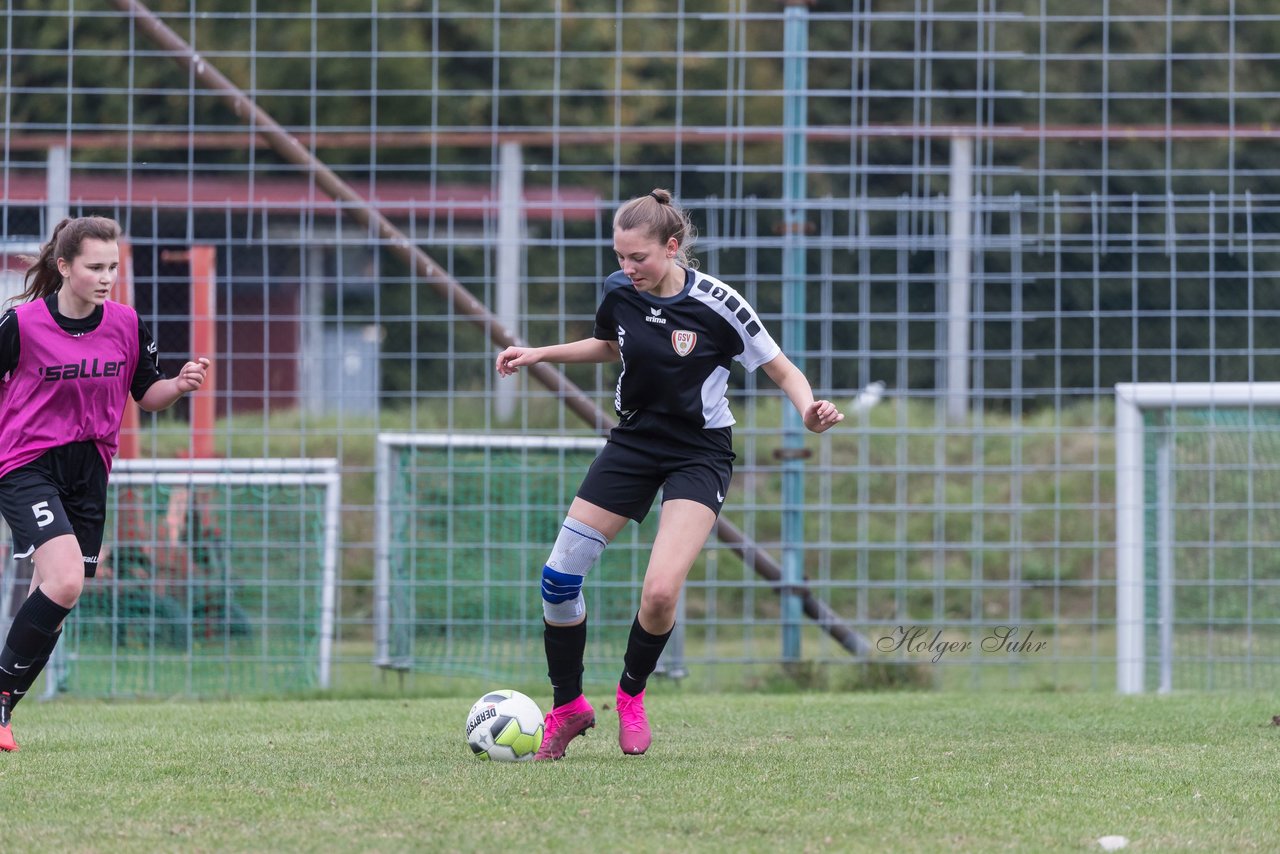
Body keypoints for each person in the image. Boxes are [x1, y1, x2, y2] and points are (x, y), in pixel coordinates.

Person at [495, 189, 843, 759]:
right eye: (620, 256)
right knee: (558, 580)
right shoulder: (619, 290)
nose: (627, 268)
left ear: (672, 247)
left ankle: (630, 695)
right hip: (633, 443)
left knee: (658, 593)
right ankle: (568, 708)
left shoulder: (719, 304)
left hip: (698, 454)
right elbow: (611, 345)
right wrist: (540, 353)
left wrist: (809, 409)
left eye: (639, 258)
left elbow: (782, 368)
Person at [0, 216, 211, 751]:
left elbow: (146, 394)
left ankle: (3, 715)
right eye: (95, 267)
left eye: (113, 267)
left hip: (91, 468)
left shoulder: (125, 323)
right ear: (64, 266)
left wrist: (179, 386)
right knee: (66, 580)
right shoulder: (20, 325)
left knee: (52, 596)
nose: (106, 277)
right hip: (27, 463)